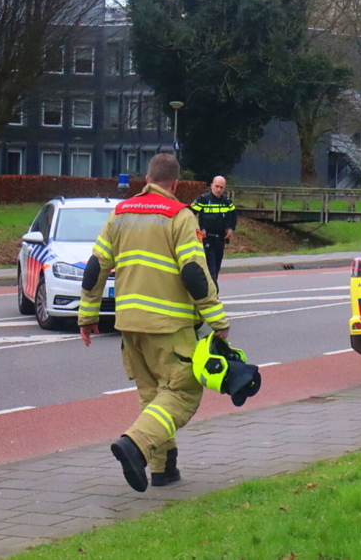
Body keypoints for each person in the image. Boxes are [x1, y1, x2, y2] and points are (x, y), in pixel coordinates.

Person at [79, 154, 230, 492]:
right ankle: (134, 445)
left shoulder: (120, 213)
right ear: (175, 184)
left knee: (153, 397)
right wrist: (217, 320)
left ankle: (163, 470)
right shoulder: (179, 216)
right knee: (184, 392)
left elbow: (95, 266)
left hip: (129, 325)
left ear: (146, 178)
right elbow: (194, 272)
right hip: (169, 325)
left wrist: (87, 315)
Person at [191, 176, 237, 289]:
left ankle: (210, 292)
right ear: (211, 185)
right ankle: (214, 293)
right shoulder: (203, 200)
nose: (219, 190)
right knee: (210, 268)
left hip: (220, 239)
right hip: (207, 239)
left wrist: (231, 228)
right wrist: (200, 229)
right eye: (217, 186)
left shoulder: (226, 201)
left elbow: (234, 215)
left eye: (221, 187)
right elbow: (189, 215)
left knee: (216, 268)